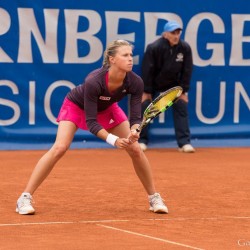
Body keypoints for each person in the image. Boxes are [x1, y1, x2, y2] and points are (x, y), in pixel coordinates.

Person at [16, 40, 168, 215]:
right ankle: (24, 198)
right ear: (112, 59)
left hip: (108, 109)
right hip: (76, 106)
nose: (130, 59)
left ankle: (153, 197)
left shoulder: (135, 81)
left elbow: (135, 116)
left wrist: (134, 130)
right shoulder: (94, 80)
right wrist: (114, 140)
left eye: (130, 55)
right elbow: (91, 122)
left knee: (135, 149)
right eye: (125, 55)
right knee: (59, 147)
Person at [139, 20, 195, 153]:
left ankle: (184, 143)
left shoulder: (185, 48)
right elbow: (147, 70)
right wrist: (147, 91)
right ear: (165, 34)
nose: (176, 36)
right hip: (153, 85)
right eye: (173, 33)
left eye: (178, 33)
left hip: (173, 86)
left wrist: (183, 91)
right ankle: (141, 140)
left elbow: (187, 71)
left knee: (181, 105)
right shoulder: (154, 47)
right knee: (145, 106)